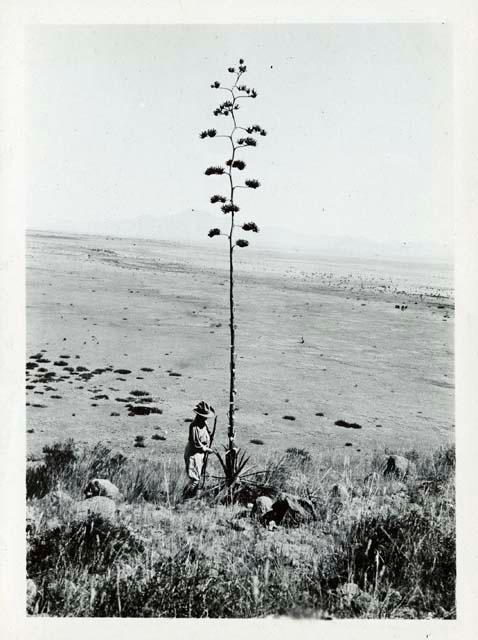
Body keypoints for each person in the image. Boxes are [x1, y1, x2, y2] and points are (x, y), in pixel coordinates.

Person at [183, 401, 214, 498]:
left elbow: (208, 434)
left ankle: (192, 497)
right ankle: (185, 497)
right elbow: (195, 443)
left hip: (201, 454)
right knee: (194, 479)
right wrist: (206, 449)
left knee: (198, 476)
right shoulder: (194, 426)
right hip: (193, 453)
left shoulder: (204, 424)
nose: (205, 418)